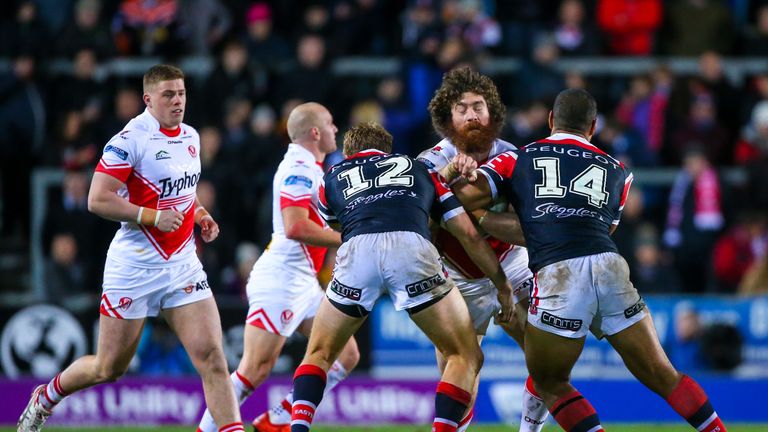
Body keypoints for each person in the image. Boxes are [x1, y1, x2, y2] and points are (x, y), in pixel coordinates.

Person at [449, 88, 728, 432]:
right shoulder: (619, 172)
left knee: (549, 381)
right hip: (610, 266)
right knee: (664, 374)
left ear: (551, 120)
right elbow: (596, 228)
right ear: (593, 126)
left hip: (560, 274)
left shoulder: (518, 158)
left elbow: (460, 199)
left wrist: (480, 217)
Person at [17, 64, 245, 432]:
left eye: (181, 93)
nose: (177, 101)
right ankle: (46, 398)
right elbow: (97, 199)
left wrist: (200, 214)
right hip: (135, 266)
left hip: (181, 263)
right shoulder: (129, 140)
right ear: (148, 99)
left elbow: (183, 193)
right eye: (168, 94)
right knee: (109, 368)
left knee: (214, 360)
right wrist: (153, 217)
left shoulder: (190, 136)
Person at [288, 122, 514, 432]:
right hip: (411, 247)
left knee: (319, 353)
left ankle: (298, 426)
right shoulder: (420, 168)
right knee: (464, 354)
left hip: (358, 251)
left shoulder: (332, 178)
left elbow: (337, 226)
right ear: (387, 151)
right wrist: (502, 285)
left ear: (349, 152)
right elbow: (468, 235)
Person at [196, 102, 360, 432]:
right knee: (254, 369)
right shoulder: (298, 167)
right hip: (282, 279)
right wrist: (347, 238)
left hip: (303, 281)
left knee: (345, 355)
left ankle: (278, 419)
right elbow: (296, 227)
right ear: (315, 132)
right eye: (330, 124)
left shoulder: (313, 168)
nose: (335, 130)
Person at [417, 66, 549, 432]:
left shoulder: (514, 158)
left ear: (493, 113)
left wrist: (470, 207)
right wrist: (447, 183)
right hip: (457, 278)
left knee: (547, 360)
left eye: (479, 106)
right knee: (461, 372)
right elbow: (418, 228)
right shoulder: (430, 163)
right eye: (462, 108)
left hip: (512, 266)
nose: (472, 114)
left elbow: (532, 231)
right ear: (447, 118)